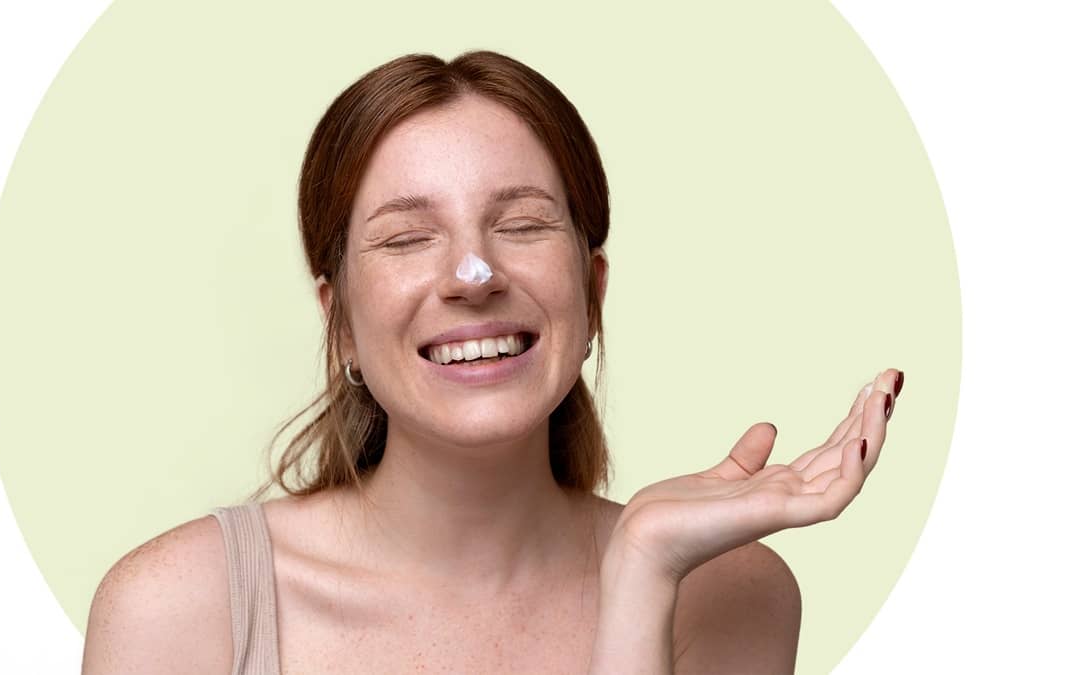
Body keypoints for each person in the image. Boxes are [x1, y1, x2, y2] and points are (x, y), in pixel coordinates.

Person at [81, 50, 903, 674]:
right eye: (407, 237)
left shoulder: (731, 594)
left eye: (522, 224)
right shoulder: (173, 611)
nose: (472, 276)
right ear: (340, 322)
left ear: (593, 292)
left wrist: (644, 572)